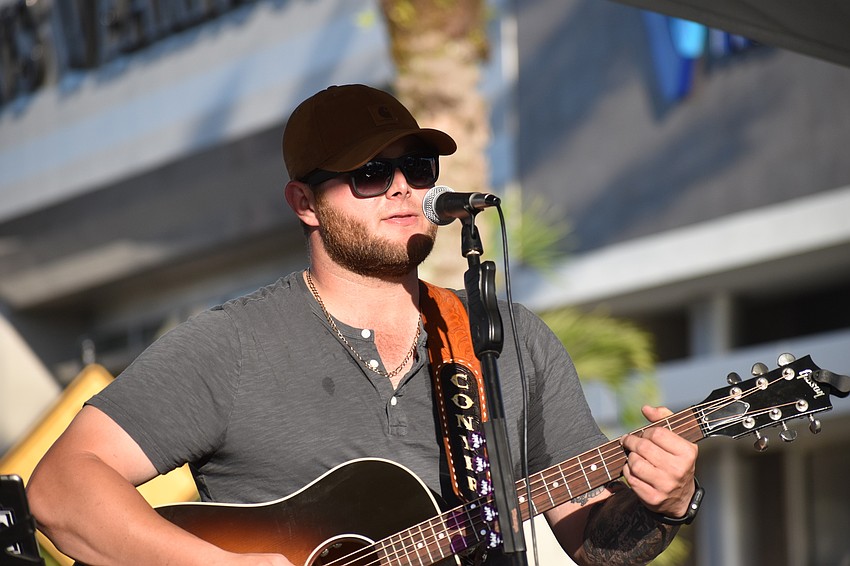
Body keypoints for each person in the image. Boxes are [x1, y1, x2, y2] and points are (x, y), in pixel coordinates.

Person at [27, 84, 699, 565]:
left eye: (417, 166)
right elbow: (61, 488)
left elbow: (596, 542)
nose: (404, 186)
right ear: (305, 203)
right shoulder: (232, 345)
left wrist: (665, 503)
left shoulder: (508, 339)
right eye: (371, 173)